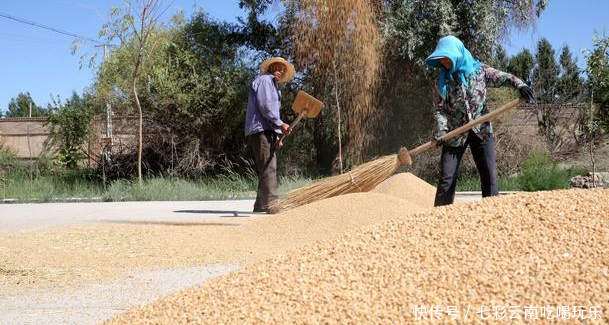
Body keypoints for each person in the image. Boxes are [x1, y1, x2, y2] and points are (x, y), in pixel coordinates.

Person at [425, 35, 534, 206]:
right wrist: (442, 131)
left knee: (489, 175)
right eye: (442, 60)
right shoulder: (443, 81)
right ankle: (440, 218)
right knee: (447, 178)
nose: (445, 64)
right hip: (454, 134)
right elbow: (440, 110)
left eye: (447, 59)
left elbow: (504, 77)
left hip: (481, 131)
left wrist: (520, 85)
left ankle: (492, 214)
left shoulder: (480, 71)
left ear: (457, 54)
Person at [244, 57, 296, 213]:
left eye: (283, 69)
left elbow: (270, 112)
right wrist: (281, 124)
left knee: (265, 167)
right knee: (269, 168)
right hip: (261, 130)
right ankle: (273, 206)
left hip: (266, 130)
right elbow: (266, 107)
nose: (281, 71)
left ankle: (261, 205)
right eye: (278, 68)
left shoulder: (274, 87)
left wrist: (278, 135)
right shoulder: (266, 81)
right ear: (272, 67)